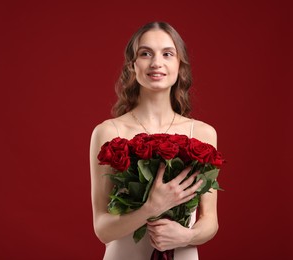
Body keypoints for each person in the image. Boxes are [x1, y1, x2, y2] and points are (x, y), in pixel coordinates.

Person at [89, 21, 219, 260]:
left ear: (179, 65)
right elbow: (102, 229)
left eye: (167, 54)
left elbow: (210, 221)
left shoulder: (202, 134)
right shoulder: (108, 132)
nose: (156, 63)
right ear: (132, 65)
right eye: (145, 53)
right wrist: (151, 208)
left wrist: (185, 236)